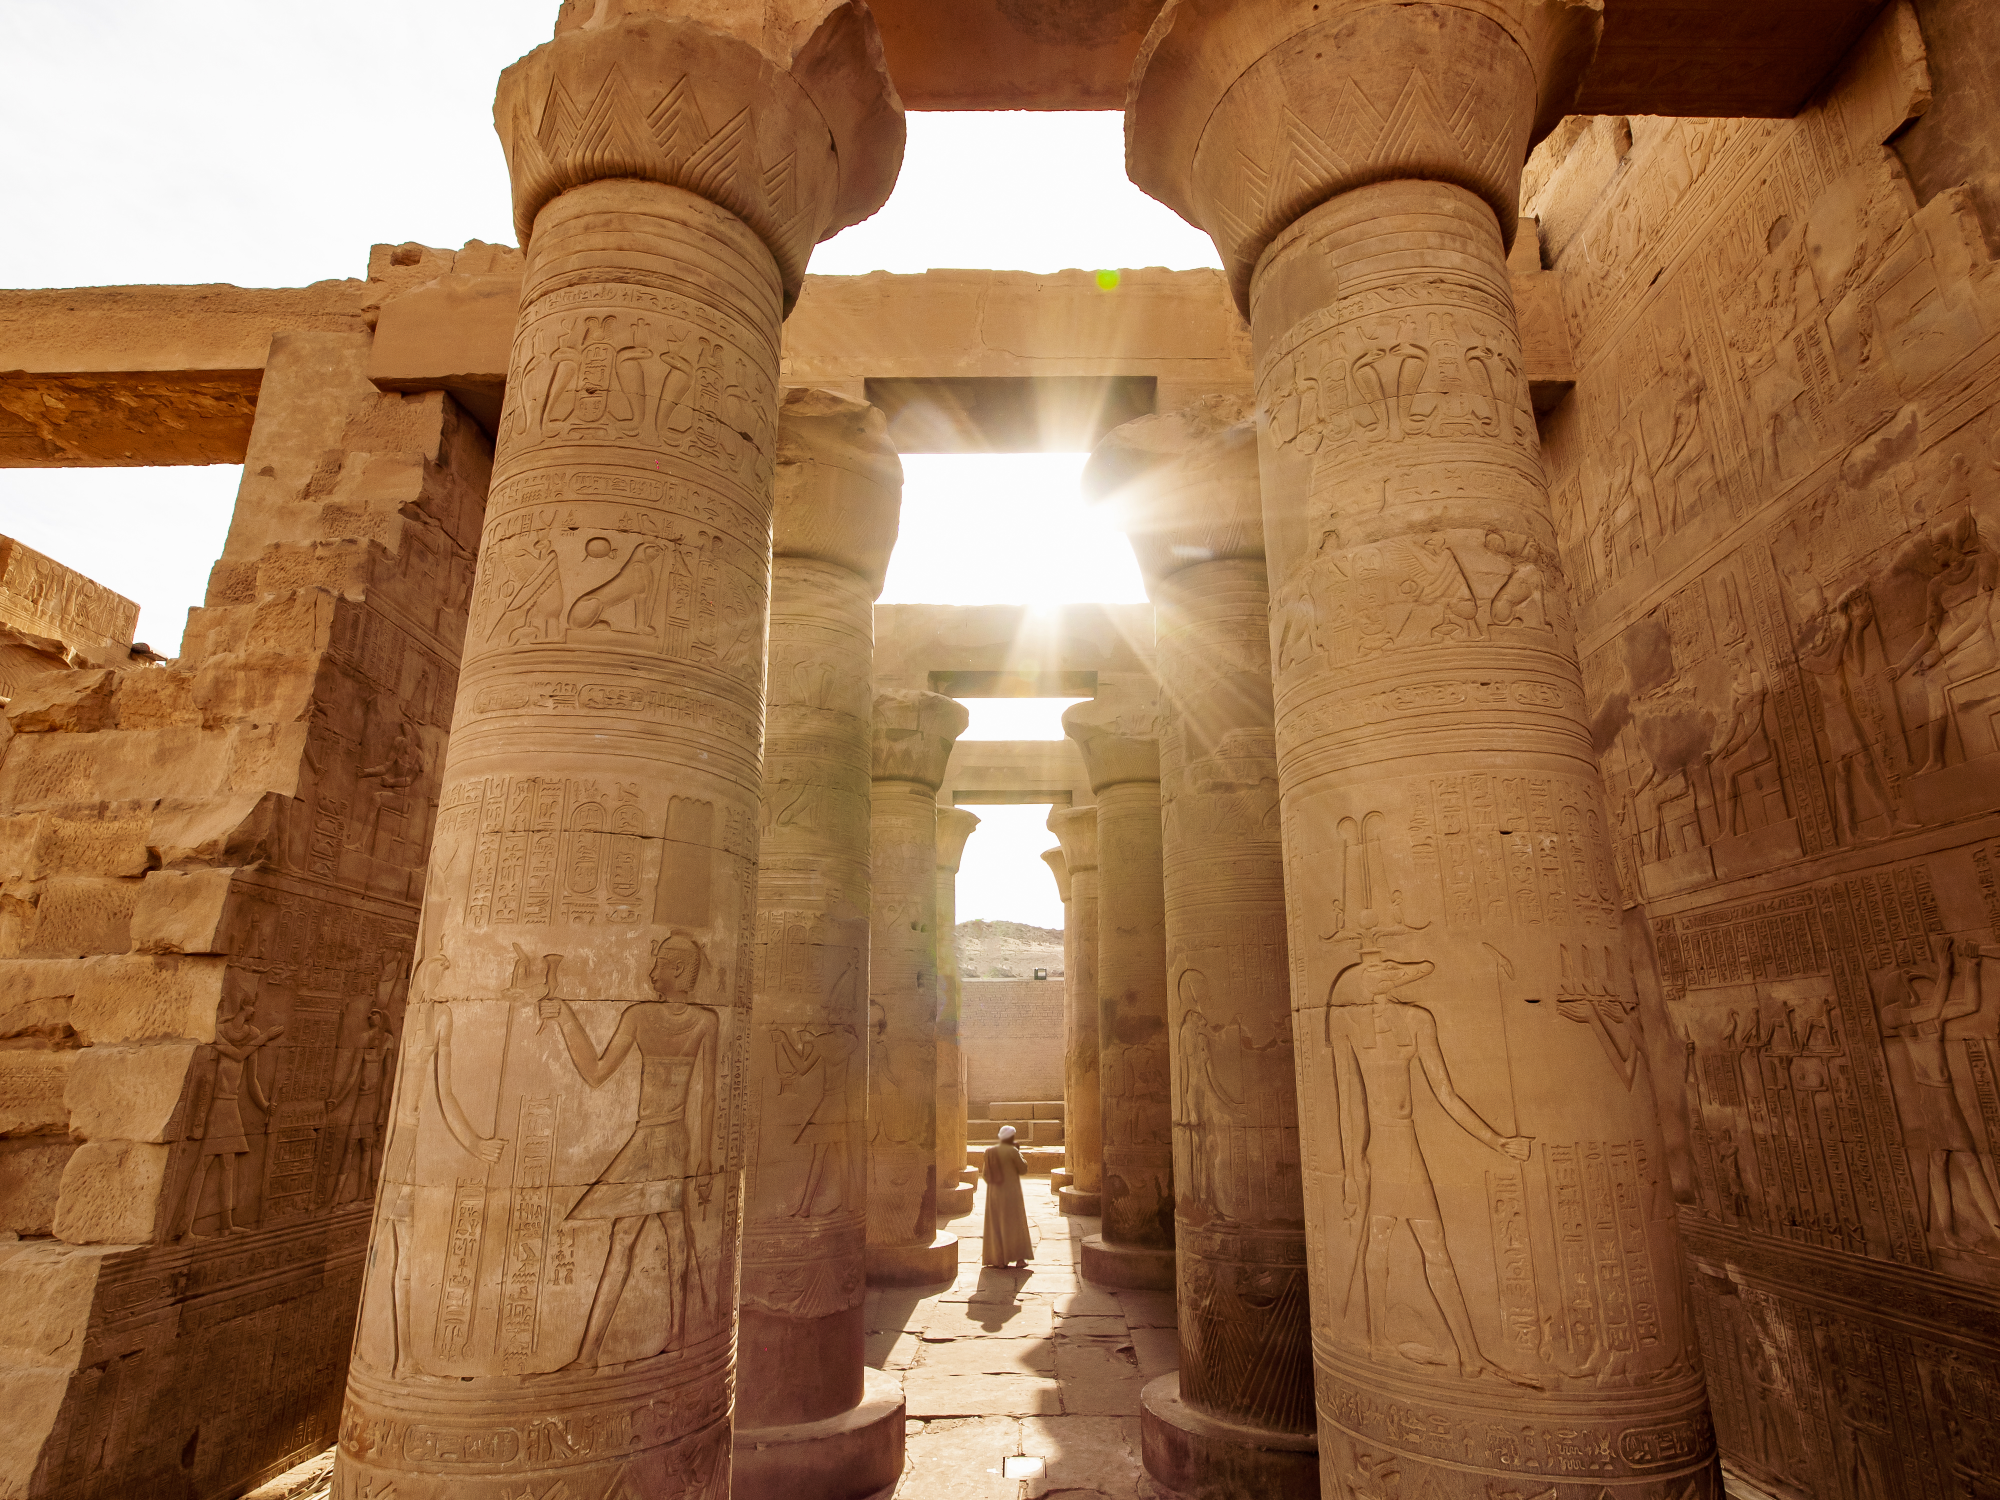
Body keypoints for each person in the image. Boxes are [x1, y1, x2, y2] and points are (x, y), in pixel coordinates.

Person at [981, 1125, 1034, 1268]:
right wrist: (1018, 1152)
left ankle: (998, 1260)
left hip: (994, 1194)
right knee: (1015, 1224)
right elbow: (1023, 1169)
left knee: (996, 1224)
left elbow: (985, 1175)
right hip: (1011, 1193)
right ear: (1011, 1137)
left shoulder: (989, 1152)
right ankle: (1019, 1259)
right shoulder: (1012, 1151)